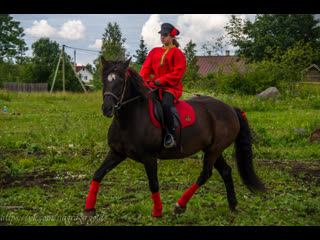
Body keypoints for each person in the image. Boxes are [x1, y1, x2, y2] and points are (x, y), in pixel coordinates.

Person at [140, 23, 187, 148]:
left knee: (166, 104)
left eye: (165, 35)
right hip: (154, 86)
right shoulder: (154, 51)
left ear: (172, 37)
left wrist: (161, 81)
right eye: (161, 35)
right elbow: (146, 68)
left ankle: (170, 134)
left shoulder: (177, 53)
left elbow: (178, 73)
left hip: (171, 88)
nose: (162, 38)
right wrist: (141, 81)